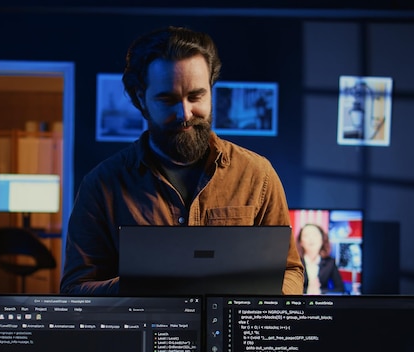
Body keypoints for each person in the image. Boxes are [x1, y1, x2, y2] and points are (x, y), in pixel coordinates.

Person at [60, 26, 304, 295]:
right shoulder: (100, 185)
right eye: (168, 99)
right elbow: (75, 289)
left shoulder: (259, 175)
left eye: (196, 96)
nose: (185, 114)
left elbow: (290, 270)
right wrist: (146, 284)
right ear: (141, 99)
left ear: (211, 91)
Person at [295, 223, 344, 295]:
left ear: (322, 239)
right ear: (301, 242)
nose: (311, 239)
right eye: (306, 235)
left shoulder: (330, 262)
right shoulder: (294, 263)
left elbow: (340, 289)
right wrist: (306, 292)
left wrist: (320, 292)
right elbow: (287, 290)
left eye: (315, 235)